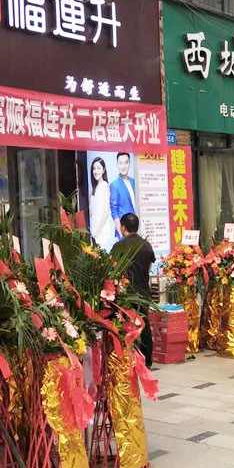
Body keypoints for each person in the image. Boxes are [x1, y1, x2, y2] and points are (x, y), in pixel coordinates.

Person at [112, 213, 155, 368]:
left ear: (123, 227)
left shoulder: (119, 246)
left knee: (127, 326)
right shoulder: (146, 245)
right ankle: (147, 360)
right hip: (143, 291)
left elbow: (114, 270)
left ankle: (129, 359)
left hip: (126, 294)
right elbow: (148, 269)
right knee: (144, 325)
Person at [89, 157, 115, 251]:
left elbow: (106, 212)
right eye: (94, 168)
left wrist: (97, 233)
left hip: (102, 232)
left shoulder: (105, 186)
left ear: (103, 170)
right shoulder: (94, 188)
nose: (96, 171)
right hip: (94, 229)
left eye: (98, 168)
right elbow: (91, 213)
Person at [110, 152, 137, 239]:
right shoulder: (115, 185)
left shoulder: (134, 181)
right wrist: (122, 234)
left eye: (126, 162)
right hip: (125, 231)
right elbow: (114, 212)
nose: (123, 166)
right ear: (117, 164)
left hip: (136, 228)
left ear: (129, 163)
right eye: (121, 163)